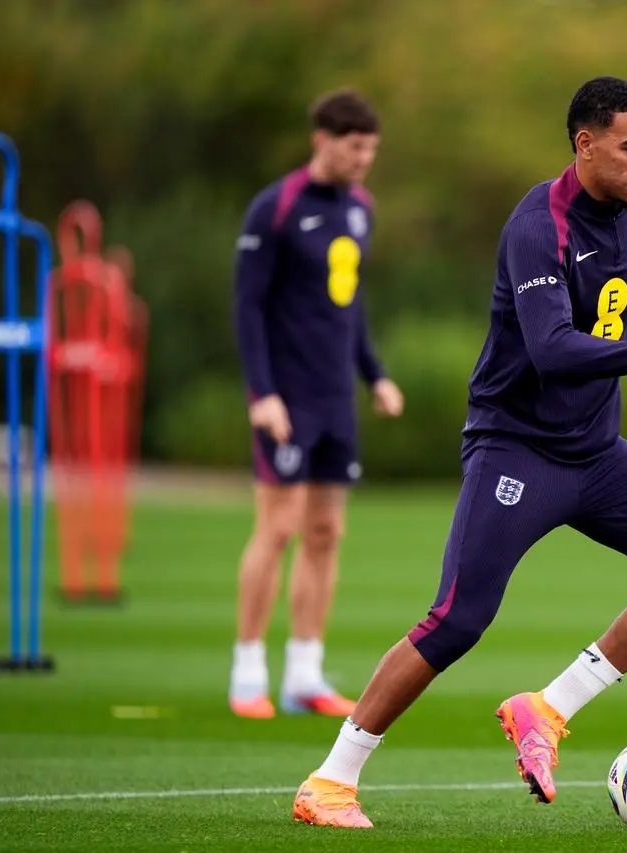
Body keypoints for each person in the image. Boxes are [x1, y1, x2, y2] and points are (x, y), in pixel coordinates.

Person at [290, 76, 627, 829]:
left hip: (597, 451)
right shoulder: (538, 226)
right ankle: (330, 781)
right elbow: (555, 351)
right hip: (517, 451)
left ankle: (548, 708)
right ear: (585, 144)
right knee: (458, 618)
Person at [230, 88, 405, 720]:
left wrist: (375, 375)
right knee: (276, 529)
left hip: (336, 398)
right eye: (355, 148)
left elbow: (349, 305)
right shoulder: (274, 208)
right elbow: (247, 306)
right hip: (287, 397)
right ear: (322, 141)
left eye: (371, 150)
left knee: (326, 532)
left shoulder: (361, 210)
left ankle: (304, 674)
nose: (364, 160)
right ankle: (247, 671)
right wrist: (262, 394)